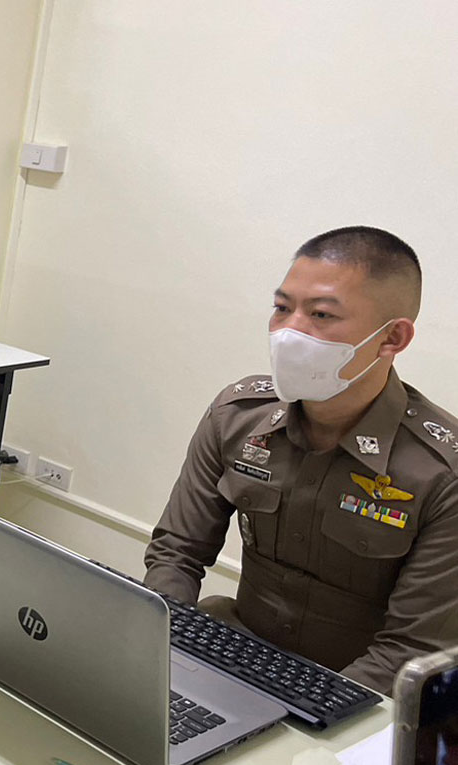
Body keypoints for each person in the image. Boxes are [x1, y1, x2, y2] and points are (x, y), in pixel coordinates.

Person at [144, 227, 458, 695]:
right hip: (240, 647)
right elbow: (177, 552)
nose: (289, 332)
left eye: (321, 315)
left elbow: (409, 649)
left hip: (356, 695)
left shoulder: (439, 472)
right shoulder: (238, 417)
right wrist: (160, 643)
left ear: (391, 338)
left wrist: (301, 723)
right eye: (282, 307)